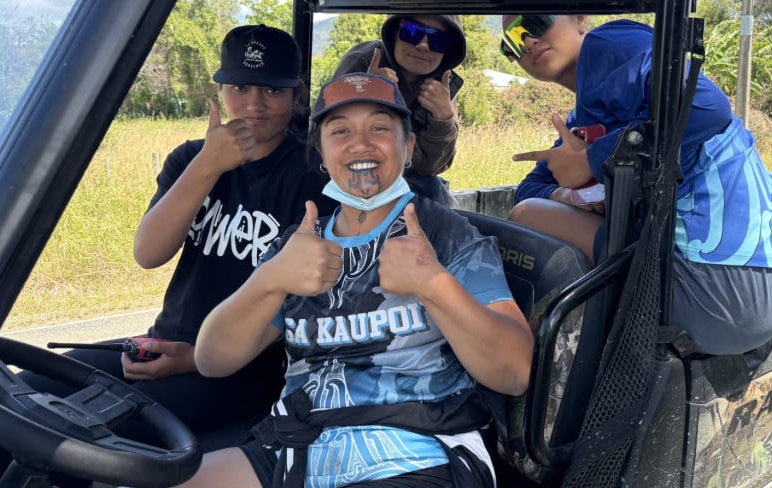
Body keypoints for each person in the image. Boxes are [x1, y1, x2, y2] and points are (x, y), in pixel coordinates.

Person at [178, 72, 533, 488]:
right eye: (340, 131)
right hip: (297, 445)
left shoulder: (448, 236)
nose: (360, 144)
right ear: (321, 152)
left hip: (417, 448)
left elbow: (514, 372)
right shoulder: (297, 246)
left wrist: (433, 284)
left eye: (379, 128)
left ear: (409, 147)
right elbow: (213, 360)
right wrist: (270, 280)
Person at [21, 24, 331, 450]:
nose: (254, 104)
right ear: (219, 90)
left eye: (272, 91)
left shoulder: (311, 175)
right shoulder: (190, 159)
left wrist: (195, 358)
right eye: (239, 87)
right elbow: (149, 253)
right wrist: (208, 165)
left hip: (246, 365)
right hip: (166, 340)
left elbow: (304, 304)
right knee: (25, 392)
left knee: (76, 433)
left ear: (296, 94)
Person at [501, 14, 772, 356]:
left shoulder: (605, 47)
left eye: (535, 22)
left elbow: (708, 108)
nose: (528, 41)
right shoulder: (584, 122)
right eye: (512, 42)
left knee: (526, 217)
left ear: (580, 20)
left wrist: (591, 161)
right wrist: (569, 194)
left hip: (719, 284)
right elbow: (530, 187)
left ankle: (521, 362)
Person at [334, 14, 467, 203]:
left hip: (407, 183)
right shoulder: (363, 63)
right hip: (349, 180)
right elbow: (325, 143)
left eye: (438, 40)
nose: (423, 45)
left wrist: (443, 118)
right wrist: (366, 97)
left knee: (435, 193)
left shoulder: (442, 86)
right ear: (394, 33)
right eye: (412, 32)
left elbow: (429, 168)